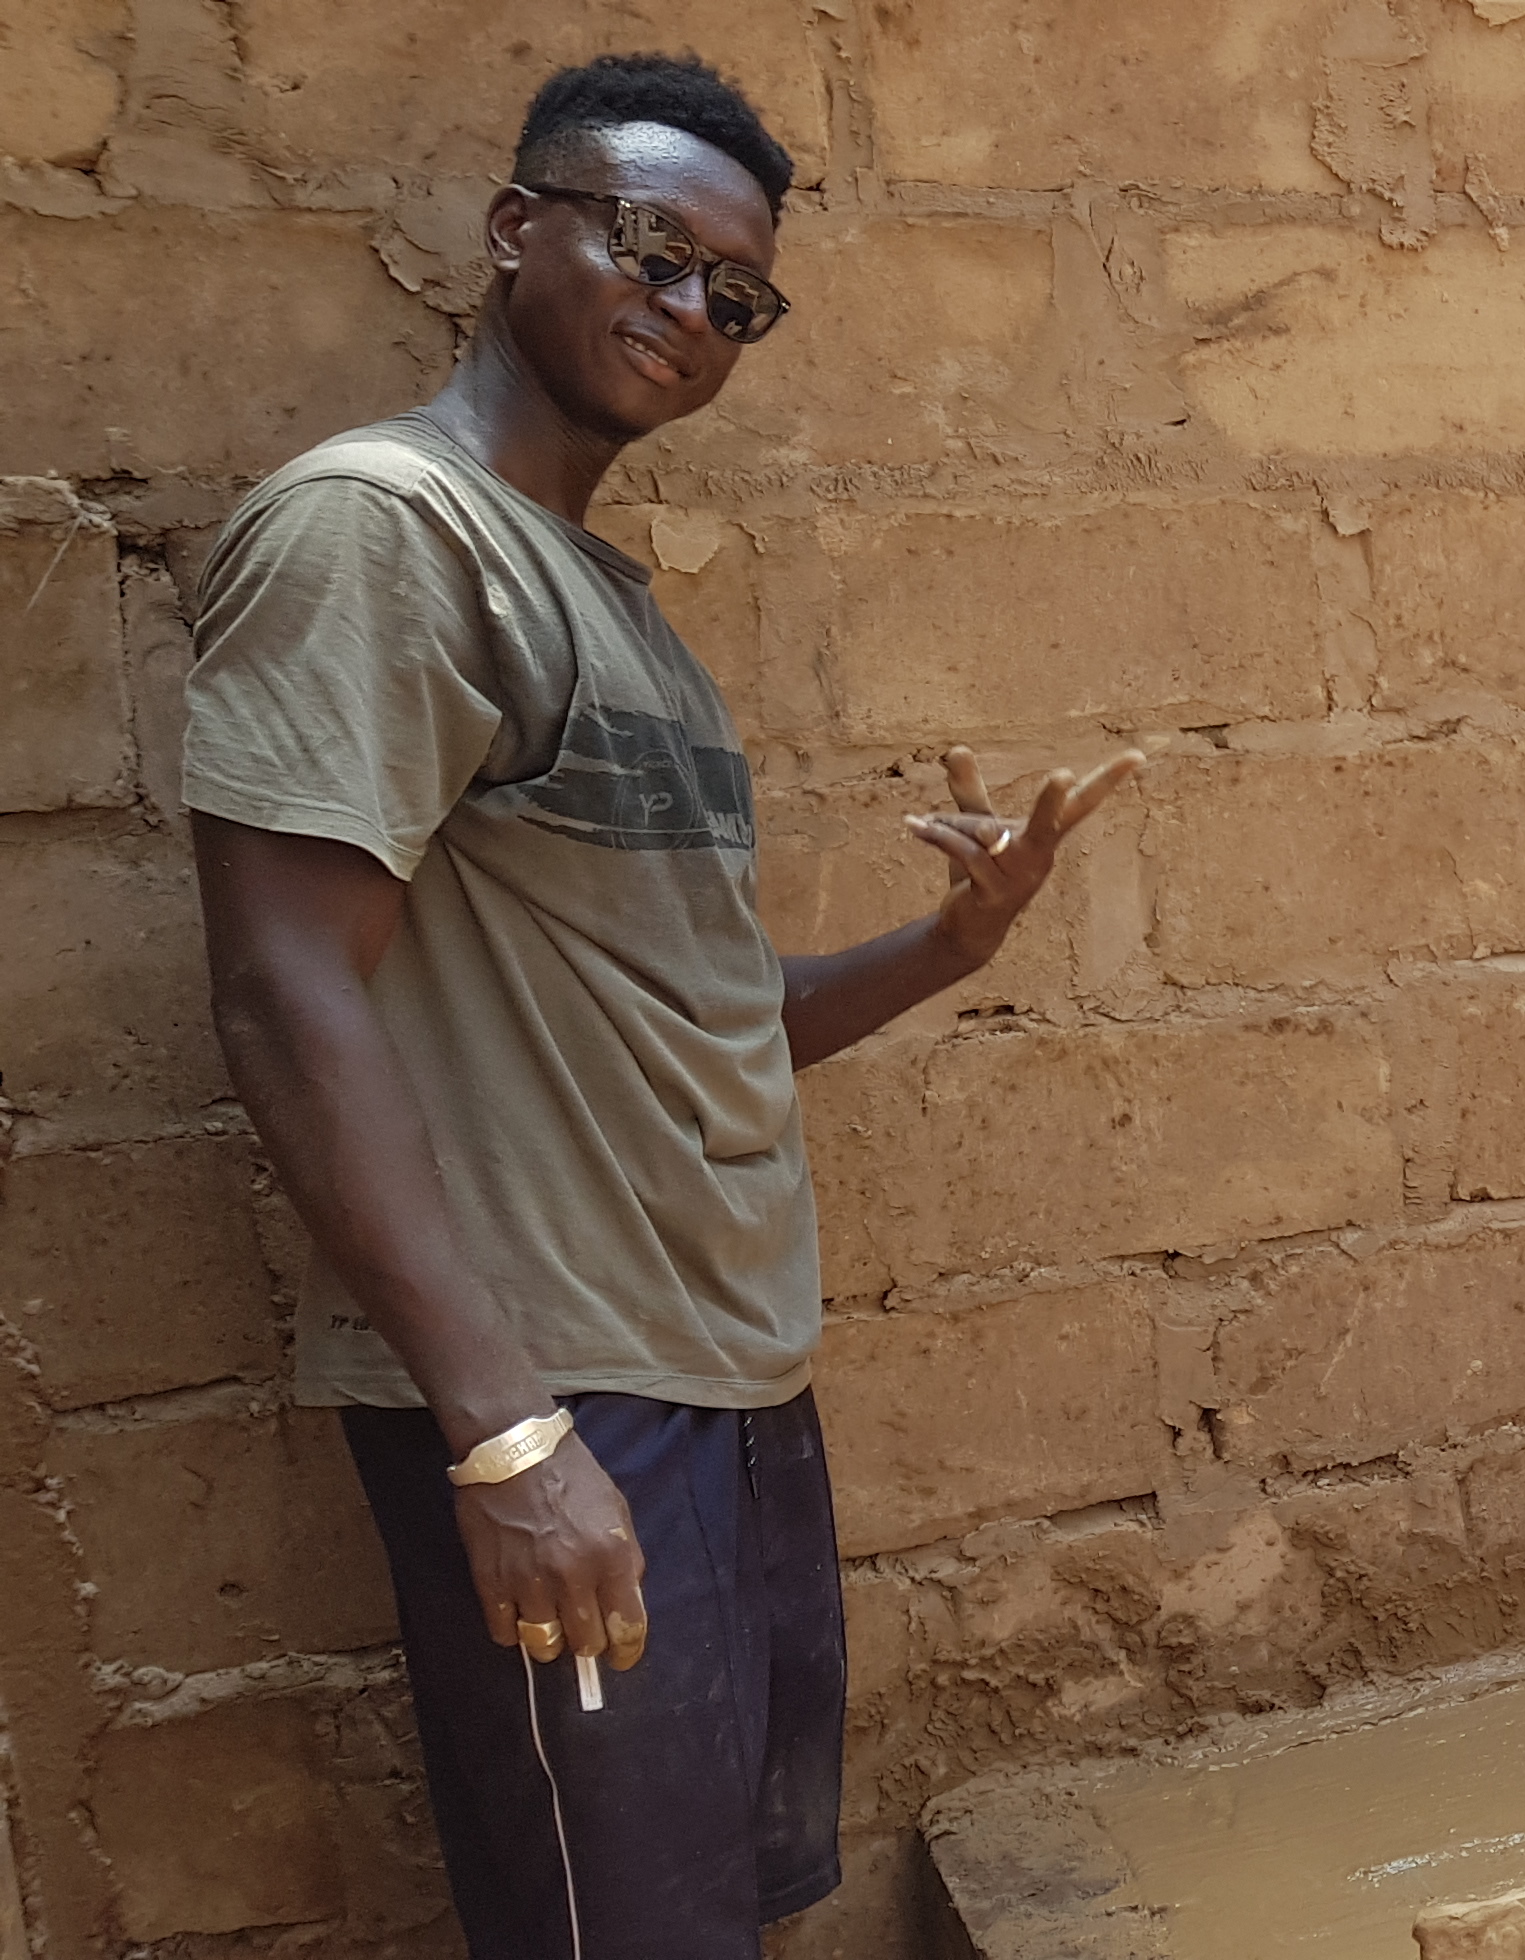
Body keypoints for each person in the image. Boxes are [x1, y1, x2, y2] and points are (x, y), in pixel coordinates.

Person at [182, 54, 1137, 1957]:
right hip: (565, 1393)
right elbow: (283, 988)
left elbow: (702, 1016)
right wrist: (507, 1439)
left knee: (718, 1915)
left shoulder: (616, 611)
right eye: (649, 245)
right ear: (514, 226)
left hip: (722, 1384)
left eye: (737, 294)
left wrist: (952, 948)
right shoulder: (386, 531)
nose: (691, 307)